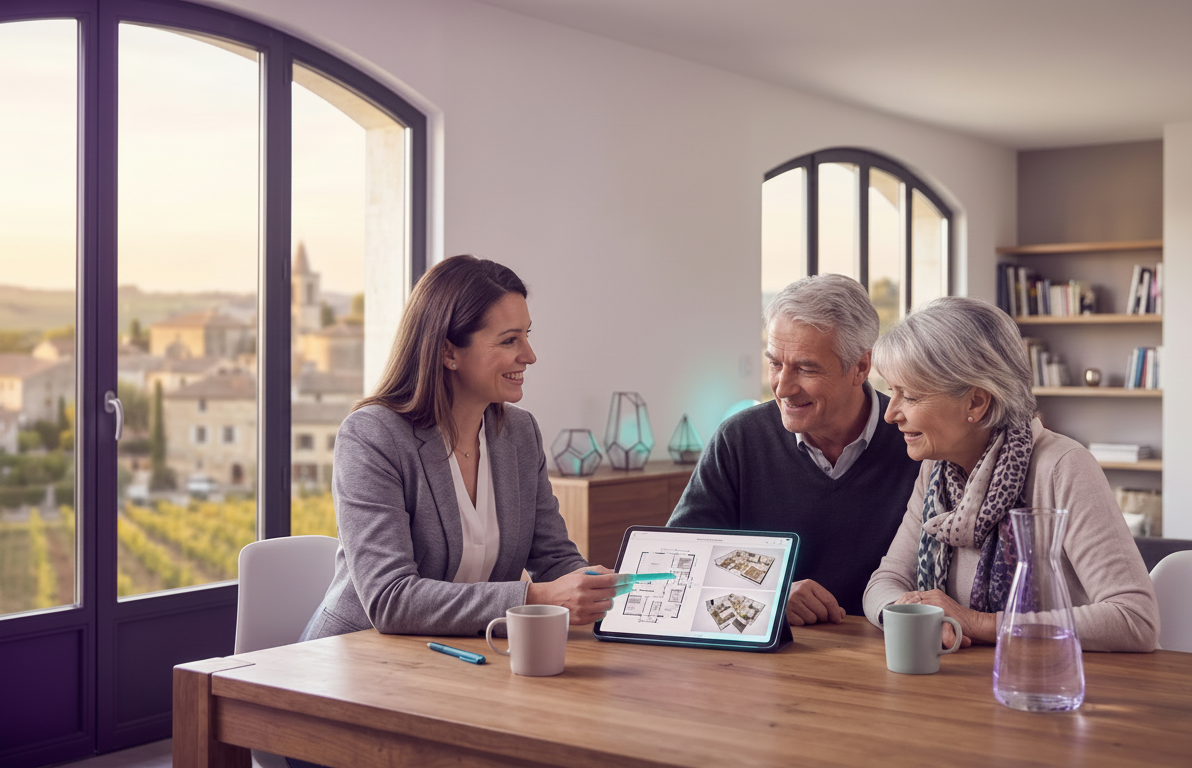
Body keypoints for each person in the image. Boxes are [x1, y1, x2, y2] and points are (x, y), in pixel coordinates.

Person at [300, 255, 617, 643]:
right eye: (509, 340)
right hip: (356, 657)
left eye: (527, 335)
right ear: (449, 353)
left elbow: (554, 559)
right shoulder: (373, 436)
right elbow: (390, 598)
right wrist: (533, 597)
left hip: (464, 657)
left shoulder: (520, 433)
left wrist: (600, 592)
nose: (529, 356)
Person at [862, 296, 1159, 652]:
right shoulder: (936, 472)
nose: (890, 414)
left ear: (975, 402)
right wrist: (908, 612)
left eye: (909, 396)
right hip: (961, 683)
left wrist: (977, 623)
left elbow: (1134, 620)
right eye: (891, 393)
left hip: (1050, 687)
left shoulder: (1063, 466)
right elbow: (886, 580)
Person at [668, 274, 921, 626]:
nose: (783, 388)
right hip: (768, 654)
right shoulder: (739, 438)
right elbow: (677, 562)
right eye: (775, 364)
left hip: (884, 651)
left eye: (805, 368)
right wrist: (769, 594)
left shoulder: (915, 442)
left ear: (861, 367)